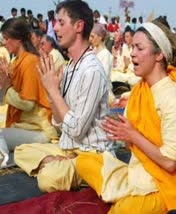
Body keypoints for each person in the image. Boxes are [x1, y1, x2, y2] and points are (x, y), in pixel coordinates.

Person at [76, 18, 176, 213]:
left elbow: (170, 163)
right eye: (132, 47)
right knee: (84, 160)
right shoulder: (141, 90)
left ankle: (128, 199)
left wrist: (132, 135)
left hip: (162, 184)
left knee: (124, 210)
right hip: (139, 172)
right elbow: (134, 141)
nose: (132, 53)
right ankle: (123, 193)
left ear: (159, 54)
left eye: (139, 48)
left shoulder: (172, 98)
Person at [14, 0, 113, 192]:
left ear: (78, 26)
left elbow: (76, 130)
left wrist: (52, 91)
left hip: (92, 155)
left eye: (61, 22)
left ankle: (58, 166)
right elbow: (58, 124)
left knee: (48, 179)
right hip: (68, 149)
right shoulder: (69, 67)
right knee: (21, 150)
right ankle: (55, 161)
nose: (55, 28)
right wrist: (53, 95)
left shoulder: (91, 70)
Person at [0, 18, 58, 167]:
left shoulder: (30, 61)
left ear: (18, 39)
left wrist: (7, 87)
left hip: (38, 128)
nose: (4, 43)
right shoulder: (17, 62)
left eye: (6, 39)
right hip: (24, 125)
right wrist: (7, 79)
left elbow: (27, 104)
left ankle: (3, 159)